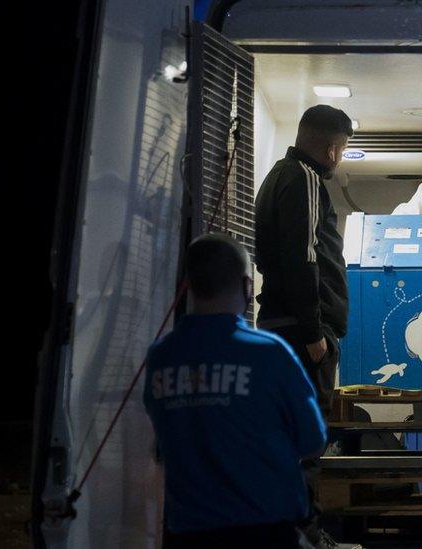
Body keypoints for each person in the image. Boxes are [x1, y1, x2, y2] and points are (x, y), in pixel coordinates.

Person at [143, 233, 327, 549]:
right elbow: (313, 441)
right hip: (264, 531)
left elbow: (160, 441)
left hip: (186, 533)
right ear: (246, 286)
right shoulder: (269, 354)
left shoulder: (161, 357)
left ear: (188, 285)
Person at [254, 104, 354, 417]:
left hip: (277, 323)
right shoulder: (305, 178)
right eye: (342, 150)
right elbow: (304, 257)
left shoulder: (275, 177)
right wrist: (314, 335)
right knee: (309, 430)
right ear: (332, 150)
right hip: (304, 331)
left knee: (280, 422)